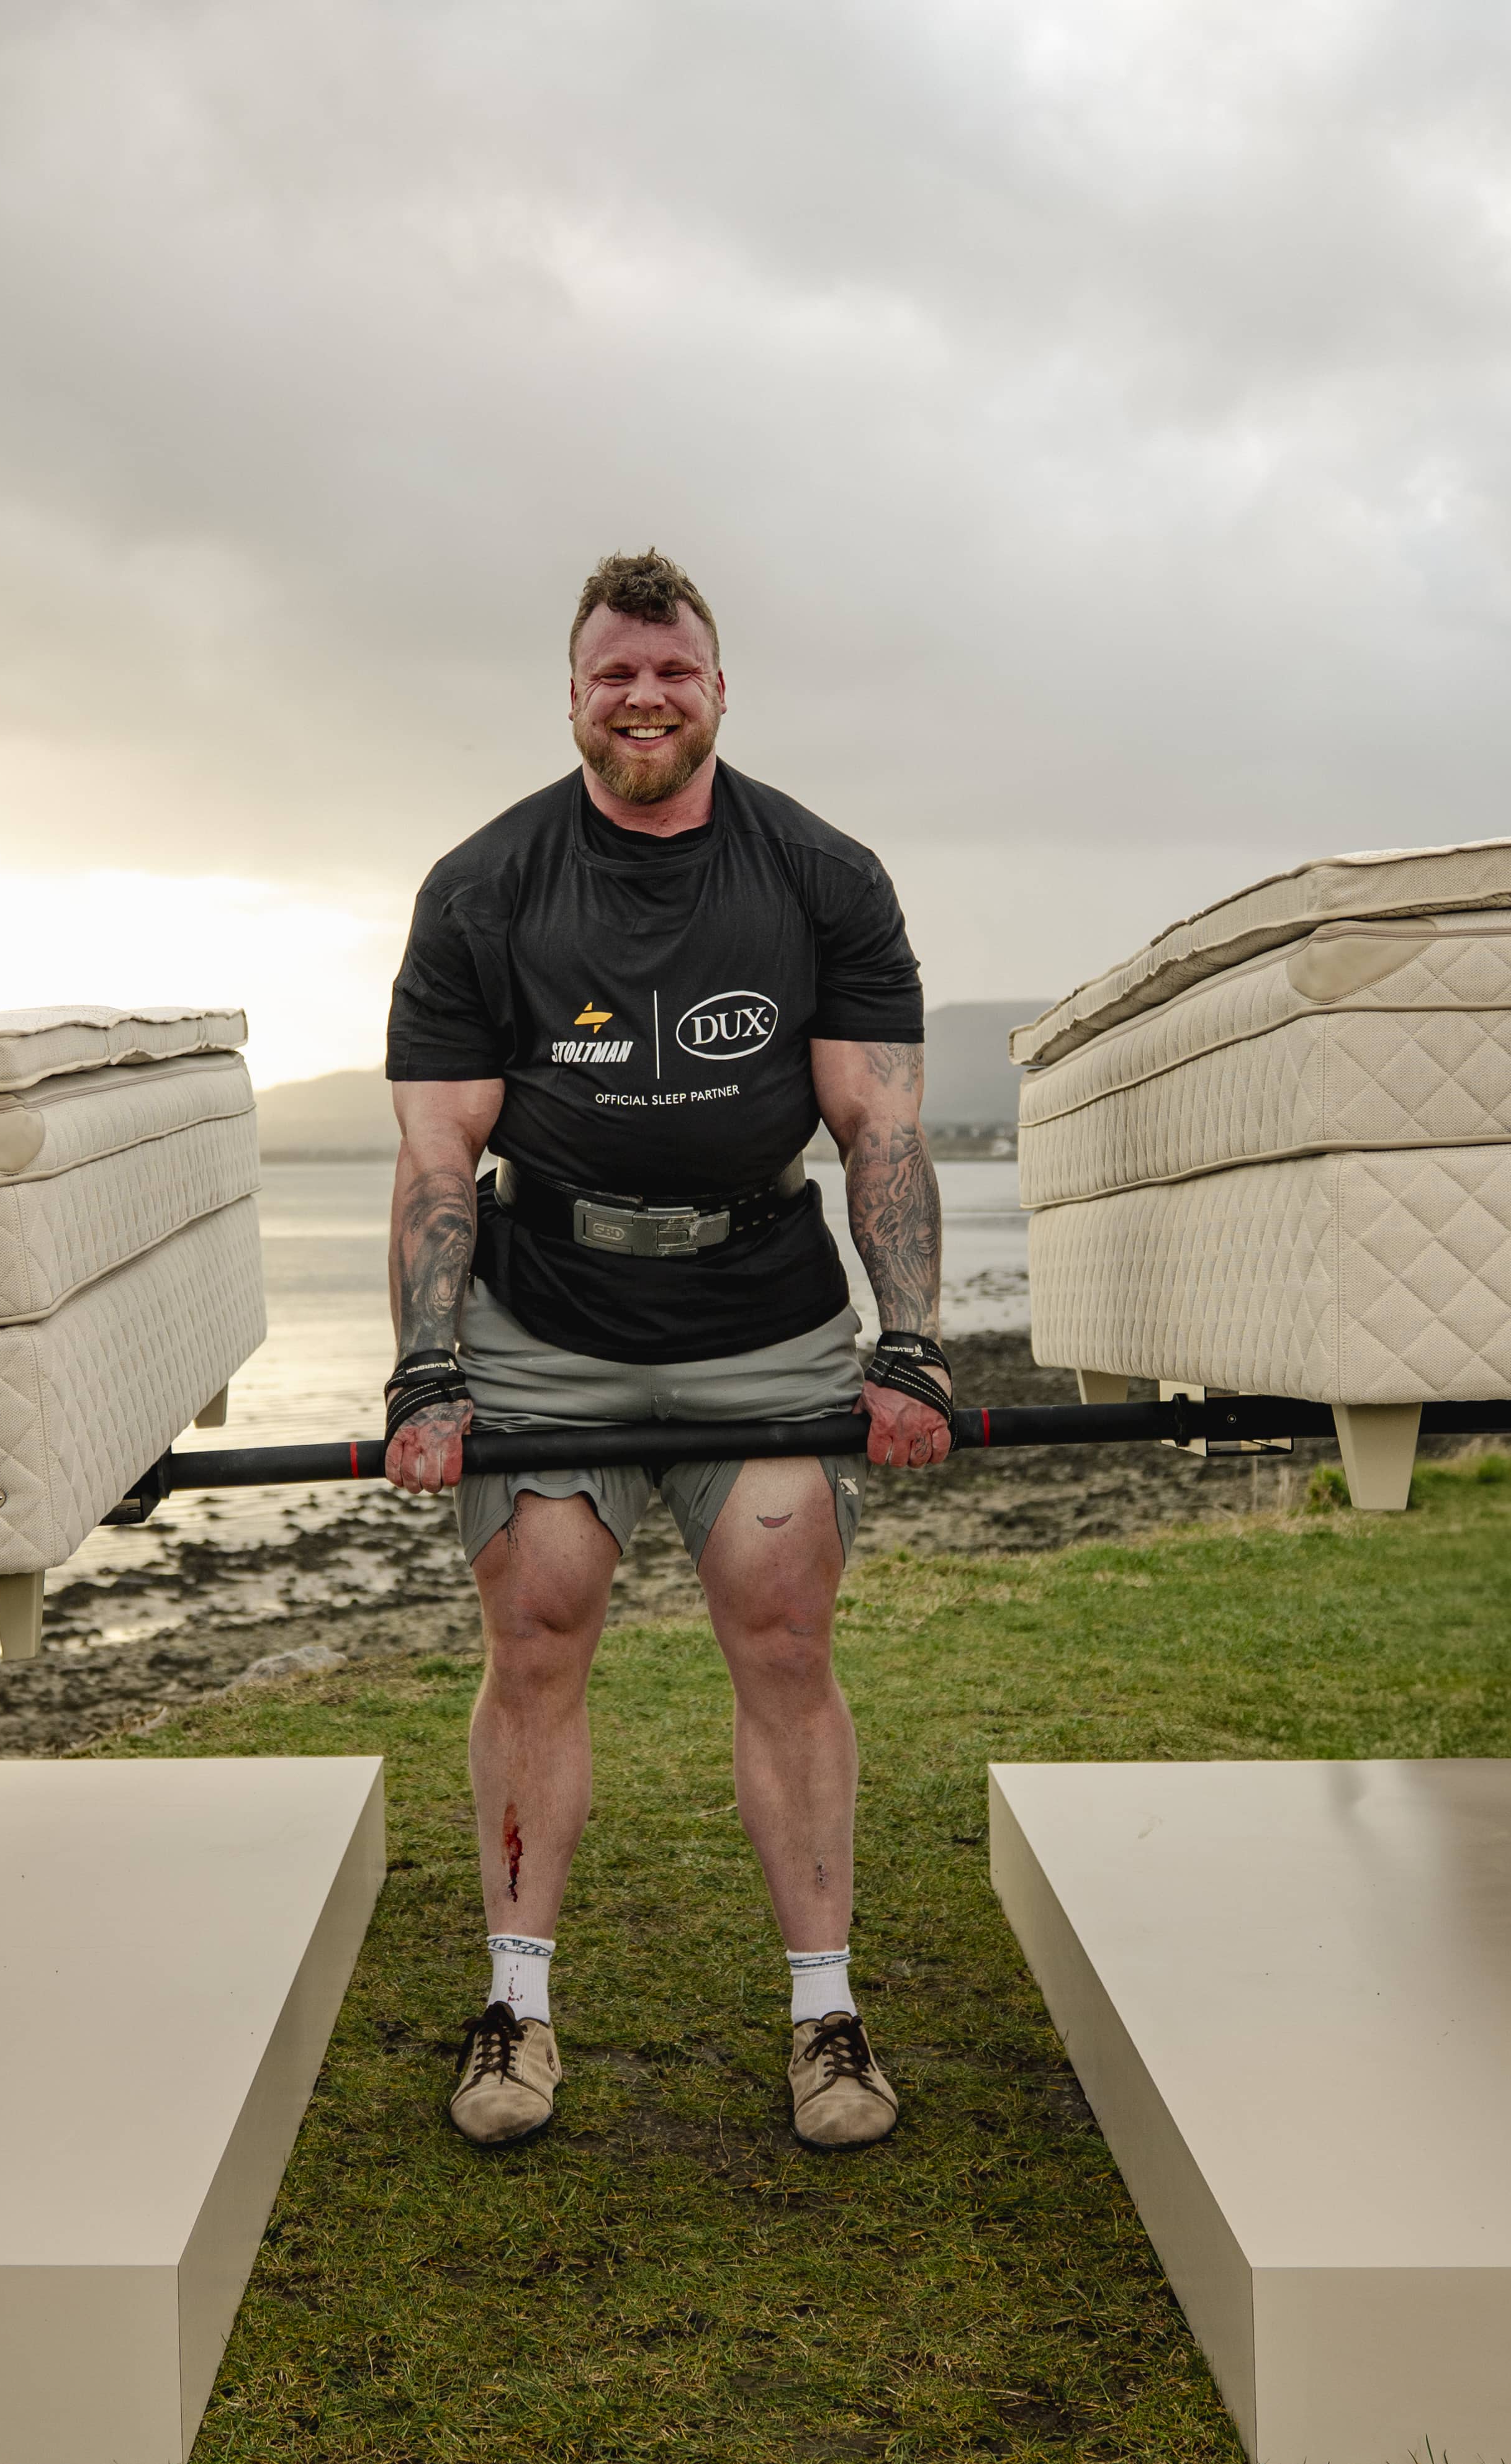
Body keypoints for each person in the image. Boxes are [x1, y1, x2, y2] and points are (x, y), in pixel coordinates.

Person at [381, 547, 950, 2152]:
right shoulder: (483, 889)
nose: (645, 698)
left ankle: (827, 2017)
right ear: (573, 695)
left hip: (764, 1320)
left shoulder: (823, 878)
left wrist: (911, 1349)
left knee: (786, 1643)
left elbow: (881, 1132)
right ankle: (515, 2007)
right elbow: (439, 1155)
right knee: (536, 1636)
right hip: (546, 1322)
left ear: (718, 690)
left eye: (673, 671)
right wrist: (427, 1369)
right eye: (616, 674)